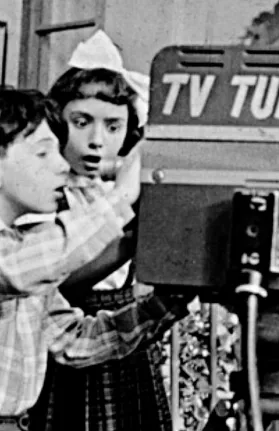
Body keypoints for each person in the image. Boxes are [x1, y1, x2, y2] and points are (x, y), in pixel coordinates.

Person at [0, 88, 191, 431]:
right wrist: (122, 195)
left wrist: (169, 302)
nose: (62, 165)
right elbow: (28, 264)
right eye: (42, 153)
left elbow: (76, 340)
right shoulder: (21, 260)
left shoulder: (21, 247)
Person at [27, 31, 173, 431]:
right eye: (81, 123)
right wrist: (127, 242)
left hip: (124, 341)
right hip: (67, 345)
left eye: (113, 127)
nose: (96, 141)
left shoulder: (124, 192)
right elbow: (57, 281)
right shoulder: (43, 195)